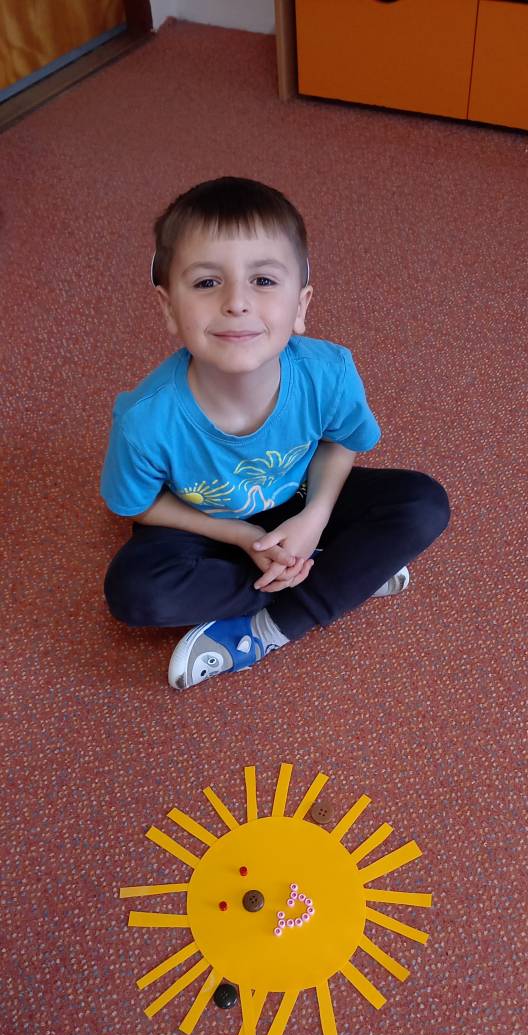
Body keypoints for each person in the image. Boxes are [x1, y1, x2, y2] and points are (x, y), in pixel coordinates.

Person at [100, 176, 450, 689]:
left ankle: (270, 627)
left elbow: (341, 441)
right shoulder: (144, 420)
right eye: (206, 283)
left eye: (263, 281)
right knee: (134, 592)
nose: (236, 303)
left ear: (301, 305)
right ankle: (342, 572)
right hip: (206, 528)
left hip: (299, 501)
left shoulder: (329, 371)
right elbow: (138, 505)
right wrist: (242, 536)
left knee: (423, 504)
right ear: (169, 308)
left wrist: (315, 517)